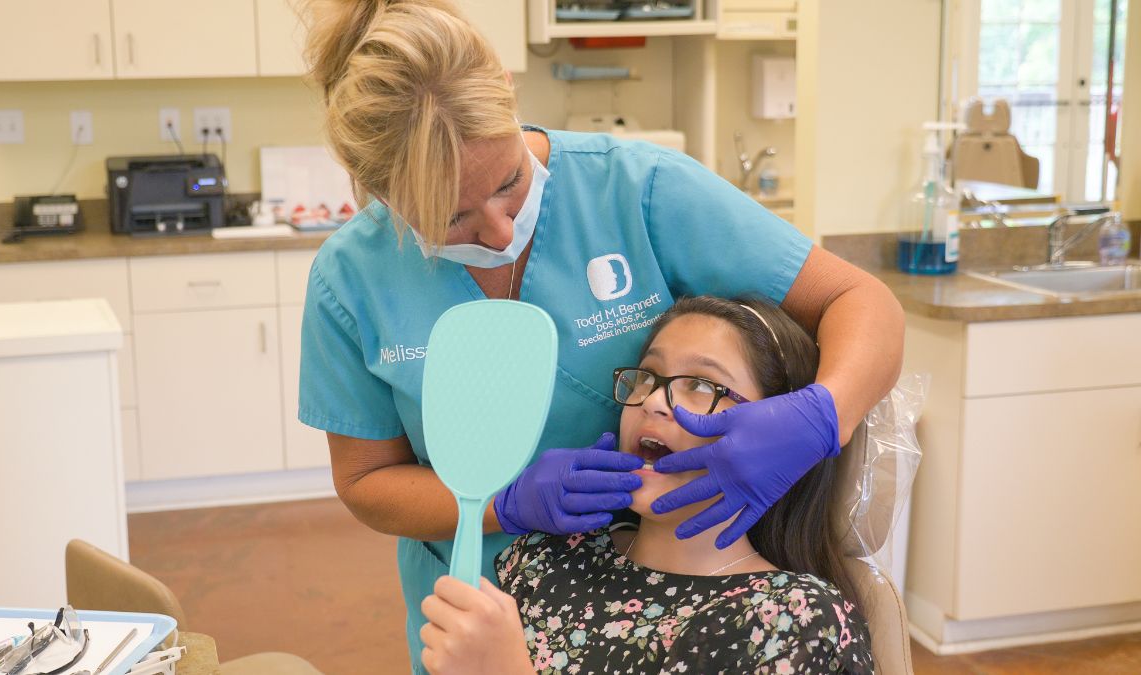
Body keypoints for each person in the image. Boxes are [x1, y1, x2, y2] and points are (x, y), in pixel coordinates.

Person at [296, 1, 904, 670]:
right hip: (484, 613)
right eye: (453, 218)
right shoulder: (351, 279)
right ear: (380, 195)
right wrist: (507, 503)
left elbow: (860, 300)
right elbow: (366, 481)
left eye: (510, 183)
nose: (500, 231)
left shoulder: (639, 191)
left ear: (507, 89)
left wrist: (819, 417)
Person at [419, 296, 875, 674]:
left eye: (701, 384)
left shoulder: (796, 620)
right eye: (648, 376)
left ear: (776, 438)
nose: (654, 400)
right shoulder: (547, 558)